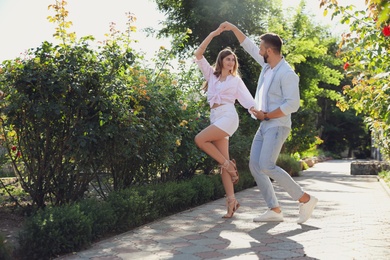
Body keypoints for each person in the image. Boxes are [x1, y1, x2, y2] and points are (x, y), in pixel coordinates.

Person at [219, 21, 318, 224]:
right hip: (264, 125)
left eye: (262, 47)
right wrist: (233, 27)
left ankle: (305, 199)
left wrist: (267, 115)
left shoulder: (287, 73)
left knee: (266, 165)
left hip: (277, 124)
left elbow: (292, 105)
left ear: (270, 50)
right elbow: (249, 46)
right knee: (255, 165)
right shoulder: (267, 66)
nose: (260, 50)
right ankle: (274, 209)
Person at [194, 27, 256, 218]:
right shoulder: (211, 76)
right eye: (227, 58)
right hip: (216, 117)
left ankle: (229, 165)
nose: (231, 61)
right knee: (222, 162)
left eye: (233, 59)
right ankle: (231, 202)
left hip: (228, 117)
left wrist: (262, 114)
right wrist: (213, 34)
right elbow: (198, 54)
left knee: (200, 140)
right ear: (221, 61)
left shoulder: (236, 80)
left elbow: (248, 101)